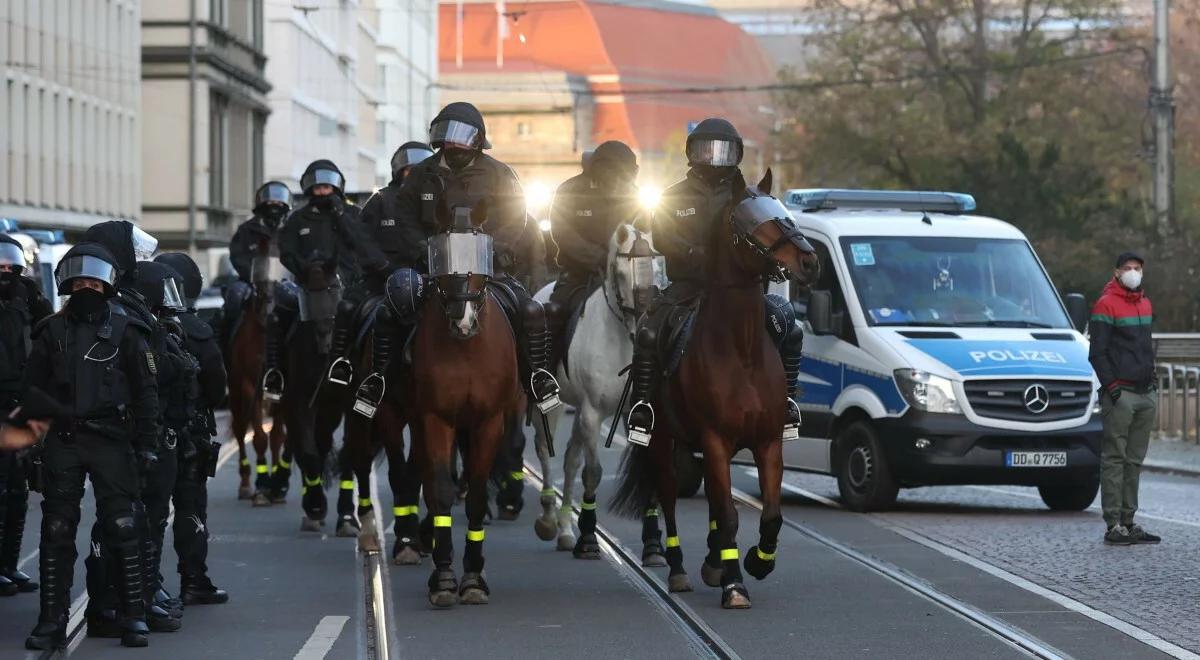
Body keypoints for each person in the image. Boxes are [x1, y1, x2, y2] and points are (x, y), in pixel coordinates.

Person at [625, 118, 805, 444]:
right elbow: (664, 237)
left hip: (737, 289)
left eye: (722, 150)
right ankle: (644, 407)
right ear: (692, 153)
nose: (713, 156)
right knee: (649, 331)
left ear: (735, 154)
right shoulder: (673, 195)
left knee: (788, 324)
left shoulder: (748, 198)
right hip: (689, 285)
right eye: (706, 149)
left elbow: (766, 237)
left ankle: (787, 401)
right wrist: (691, 253)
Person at [381, 102, 561, 411]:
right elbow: (404, 216)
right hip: (434, 270)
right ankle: (381, 379)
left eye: (461, 136)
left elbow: (516, 217)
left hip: (487, 271)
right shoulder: (422, 174)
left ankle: (537, 378)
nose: (453, 143)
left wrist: (496, 249)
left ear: (478, 140)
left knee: (530, 310)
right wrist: (422, 250)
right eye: (446, 136)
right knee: (393, 306)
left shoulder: (499, 174)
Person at [24, 243, 158, 650]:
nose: (86, 287)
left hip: (111, 439)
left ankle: (134, 615)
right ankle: (52, 619)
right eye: (79, 280)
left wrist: (148, 442)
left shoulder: (128, 331)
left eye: (93, 282)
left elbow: (145, 391)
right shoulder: (50, 331)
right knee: (57, 528)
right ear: (67, 284)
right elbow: (33, 389)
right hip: (64, 439)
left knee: (123, 526)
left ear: (107, 286)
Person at [273, 159, 389, 393]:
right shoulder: (298, 218)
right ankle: (276, 373)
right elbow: (286, 252)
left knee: (377, 318)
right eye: (318, 188)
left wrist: (340, 215)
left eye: (327, 187)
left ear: (336, 188)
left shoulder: (352, 213)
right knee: (277, 316)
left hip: (351, 286)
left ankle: (375, 377)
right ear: (309, 189)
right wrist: (304, 268)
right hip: (308, 287)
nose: (323, 192)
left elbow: (363, 243)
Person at [154, 254, 229, 604]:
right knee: (190, 506)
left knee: (148, 510)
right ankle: (194, 579)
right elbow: (217, 383)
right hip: (190, 431)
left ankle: (144, 585)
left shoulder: (140, 323)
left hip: (151, 433)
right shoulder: (198, 331)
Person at [545, 140, 640, 361]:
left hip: (624, 276)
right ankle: (544, 374)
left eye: (625, 177)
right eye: (615, 176)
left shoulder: (634, 195)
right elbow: (563, 232)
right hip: (579, 274)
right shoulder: (570, 190)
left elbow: (643, 232)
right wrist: (598, 257)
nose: (619, 183)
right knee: (554, 313)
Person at [1089, 251, 1160, 546]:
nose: (1133, 272)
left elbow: (1145, 348)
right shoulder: (1106, 304)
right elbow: (1097, 353)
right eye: (1128, 268)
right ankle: (1113, 524)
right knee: (1115, 459)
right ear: (1117, 272)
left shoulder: (1145, 302)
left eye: (1138, 268)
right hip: (1122, 394)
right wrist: (1114, 389)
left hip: (1145, 393)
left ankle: (1129, 522)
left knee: (1134, 460)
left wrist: (1153, 382)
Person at [0, 234, 54, 597]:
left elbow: (47, 330)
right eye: (0, 268)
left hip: (20, 401)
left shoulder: (27, 294)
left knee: (18, 488)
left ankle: (8, 564)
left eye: (11, 268)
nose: (6, 274)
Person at [224, 181, 291, 350]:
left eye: (278, 201)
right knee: (234, 296)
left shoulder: (291, 229)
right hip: (250, 282)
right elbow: (237, 256)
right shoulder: (246, 230)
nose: (274, 204)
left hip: (286, 282)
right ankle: (224, 344)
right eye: (270, 200)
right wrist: (253, 276)